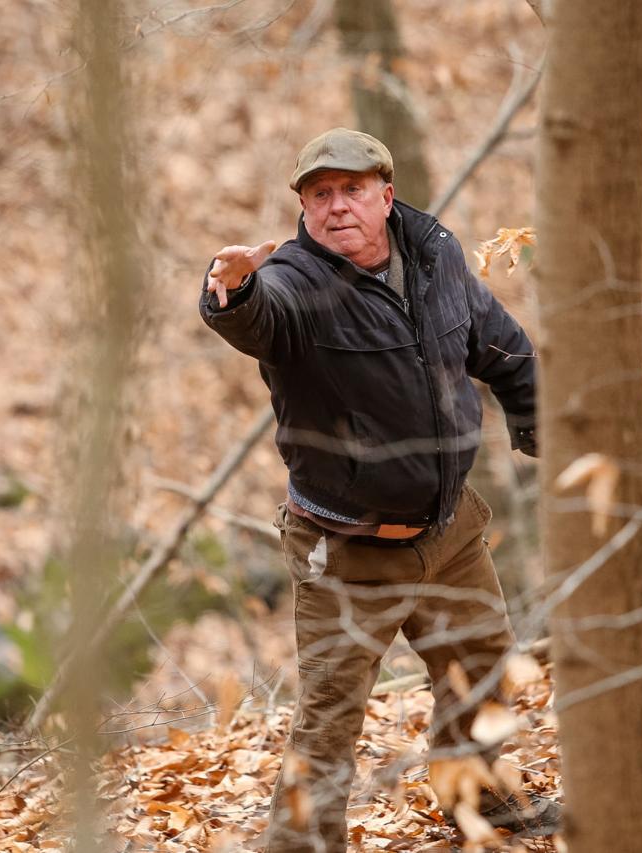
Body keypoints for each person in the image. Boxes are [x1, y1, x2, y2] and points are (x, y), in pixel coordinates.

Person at [199, 128, 558, 852]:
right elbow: (259, 317)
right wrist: (233, 290)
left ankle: (481, 798)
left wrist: (542, 423)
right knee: (330, 714)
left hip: (450, 530)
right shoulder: (297, 283)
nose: (336, 208)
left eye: (352, 191)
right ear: (303, 209)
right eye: (319, 195)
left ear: (386, 196)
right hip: (348, 547)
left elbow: (495, 340)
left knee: (481, 662)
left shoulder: (435, 254)